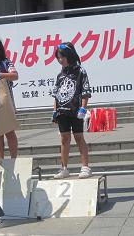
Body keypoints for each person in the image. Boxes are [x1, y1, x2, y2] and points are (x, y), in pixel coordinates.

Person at [51, 42, 92, 179]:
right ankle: (64, 168)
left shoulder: (80, 71)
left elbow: (85, 92)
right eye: (58, 57)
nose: (60, 60)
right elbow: (56, 95)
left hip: (76, 110)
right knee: (64, 138)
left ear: (70, 55)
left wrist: (83, 108)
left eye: (62, 57)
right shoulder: (60, 75)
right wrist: (54, 111)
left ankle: (85, 167)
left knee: (79, 137)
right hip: (62, 112)